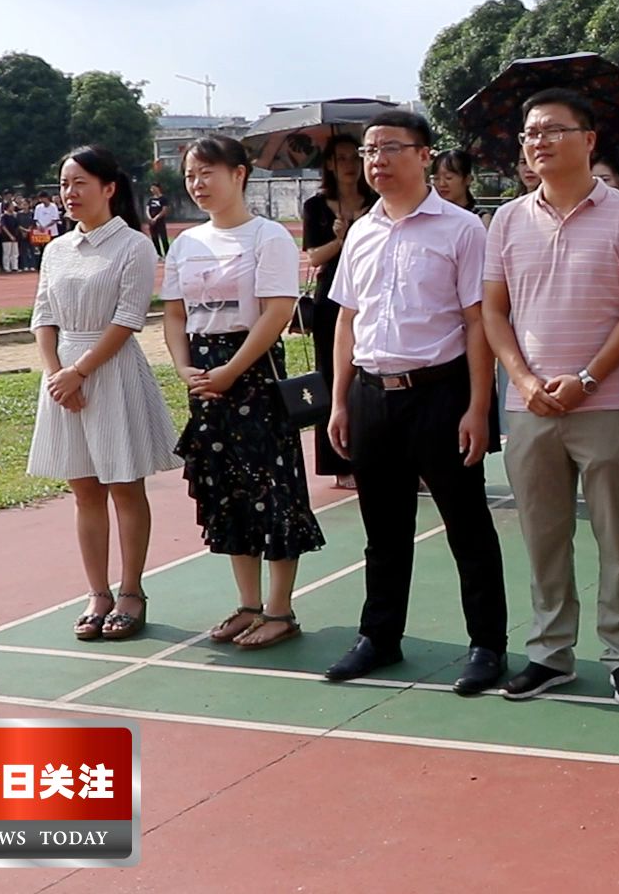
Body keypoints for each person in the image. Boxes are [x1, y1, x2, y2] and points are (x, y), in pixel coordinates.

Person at [483, 89, 619, 705]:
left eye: (553, 130)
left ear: (588, 141)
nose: (538, 142)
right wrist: (527, 382)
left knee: (617, 537)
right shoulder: (505, 220)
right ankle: (550, 653)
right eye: (531, 133)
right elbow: (494, 313)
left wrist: (585, 379)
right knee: (543, 536)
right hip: (528, 408)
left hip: (607, 403)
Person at [321, 110, 509, 696]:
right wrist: (339, 402)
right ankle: (379, 637)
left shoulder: (461, 230)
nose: (375, 161)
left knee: (466, 524)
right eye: (369, 151)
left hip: (441, 395)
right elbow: (347, 319)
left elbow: (477, 322)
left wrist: (479, 407)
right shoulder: (361, 231)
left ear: (425, 155)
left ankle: (487, 645)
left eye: (390, 149)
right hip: (372, 395)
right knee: (384, 528)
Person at [162, 135, 324, 650]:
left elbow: (277, 311)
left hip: (252, 374)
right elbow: (173, 316)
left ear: (239, 175)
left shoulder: (267, 237)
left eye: (208, 172)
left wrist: (232, 369)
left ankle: (280, 609)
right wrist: (185, 368)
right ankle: (248, 604)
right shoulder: (186, 243)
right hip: (204, 379)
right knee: (226, 491)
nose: (198, 183)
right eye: (191, 174)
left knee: (271, 489)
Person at [28, 146, 182, 642]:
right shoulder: (56, 250)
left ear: (109, 188)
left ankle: (132, 590)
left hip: (109, 371)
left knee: (123, 484)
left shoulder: (133, 245)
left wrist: (80, 371)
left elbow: (128, 319)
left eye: (79, 184)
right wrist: (57, 376)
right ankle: (98, 592)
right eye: (64, 184)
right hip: (63, 381)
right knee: (84, 489)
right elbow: (43, 318)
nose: (69, 194)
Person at [302, 136, 376, 490]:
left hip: (370, 298)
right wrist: (341, 240)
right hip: (330, 302)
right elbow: (314, 257)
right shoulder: (316, 206)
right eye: (340, 158)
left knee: (368, 378)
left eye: (354, 157)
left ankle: (371, 452)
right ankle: (337, 461)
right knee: (331, 377)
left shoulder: (376, 202)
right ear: (329, 164)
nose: (348, 164)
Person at [32, 192, 62, 267]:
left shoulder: (53, 206)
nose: (41, 200)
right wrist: (39, 226)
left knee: (52, 248)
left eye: (43, 198)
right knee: (42, 249)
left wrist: (46, 226)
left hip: (52, 232)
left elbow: (55, 219)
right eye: (40, 198)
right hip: (41, 233)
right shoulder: (38, 207)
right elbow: (36, 219)